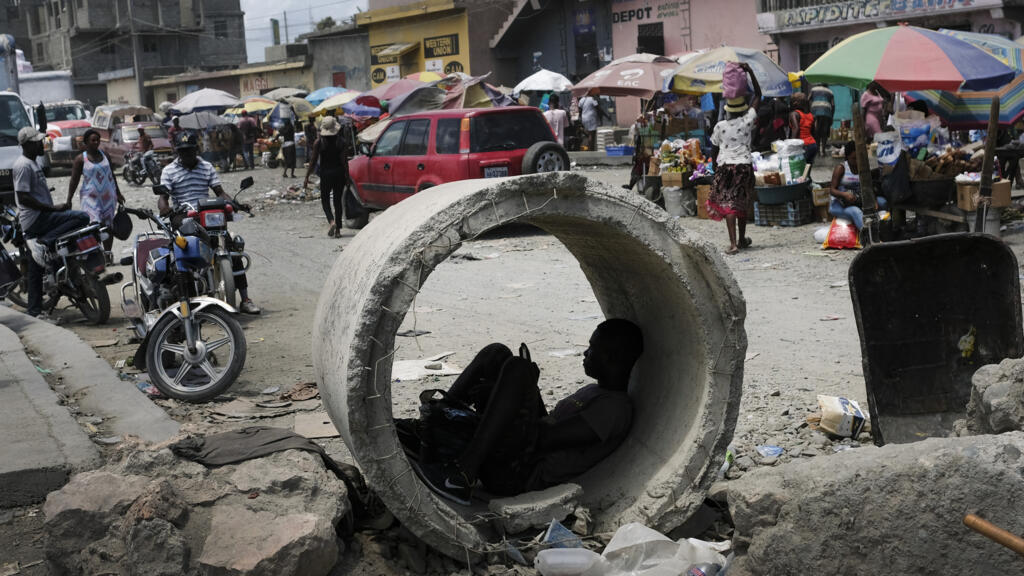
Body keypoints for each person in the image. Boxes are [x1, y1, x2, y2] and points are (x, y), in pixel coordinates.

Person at [409, 319, 643, 505]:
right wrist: (510, 395)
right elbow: (545, 422)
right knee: (496, 354)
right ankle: (430, 427)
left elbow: (544, 439)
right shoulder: (594, 390)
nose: (585, 354)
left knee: (518, 369)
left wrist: (523, 395)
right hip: (521, 451)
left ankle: (461, 476)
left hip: (521, 474)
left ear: (610, 358)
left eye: (592, 349)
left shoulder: (615, 408)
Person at [159, 131, 260, 314]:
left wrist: (234, 203)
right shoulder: (169, 170)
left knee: (232, 247)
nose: (186, 154)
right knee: (184, 251)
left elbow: (219, 192)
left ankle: (245, 298)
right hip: (183, 215)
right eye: (182, 151)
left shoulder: (206, 167)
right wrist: (164, 208)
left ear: (195, 149)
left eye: (189, 150)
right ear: (177, 152)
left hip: (207, 214)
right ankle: (186, 296)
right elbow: (163, 198)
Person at [13, 126, 90, 317]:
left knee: (36, 269)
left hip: (39, 218)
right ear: (28, 144)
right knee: (82, 217)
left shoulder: (33, 162)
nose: (42, 144)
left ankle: (35, 310)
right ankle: (46, 242)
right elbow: (23, 197)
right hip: (36, 220)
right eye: (38, 141)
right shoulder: (23, 165)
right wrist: (52, 208)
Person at [709, 62, 761, 255]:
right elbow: (758, 95)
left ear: (728, 109)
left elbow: (714, 148)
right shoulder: (748, 121)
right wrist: (750, 71)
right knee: (742, 203)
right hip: (744, 167)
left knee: (728, 205)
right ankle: (741, 239)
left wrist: (715, 166)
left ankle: (733, 243)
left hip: (725, 167)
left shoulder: (720, 126)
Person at [304, 116, 365, 238]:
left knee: (325, 200)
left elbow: (313, 161)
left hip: (325, 174)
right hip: (339, 174)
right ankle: (338, 231)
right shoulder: (341, 142)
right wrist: (347, 178)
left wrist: (306, 177)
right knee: (337, 202)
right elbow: (344, 162)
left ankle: (331, 222)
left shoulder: (319, 143)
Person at [66, 128, 124, 251]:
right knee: (93, 226)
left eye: (98, 140)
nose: (96, 142)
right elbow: (74, 180)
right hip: (90, 198)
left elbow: (111, 175)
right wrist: (69, 199)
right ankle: (97, 253)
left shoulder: (105, 155)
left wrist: (118, 193)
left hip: (108, 197)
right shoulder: (80, 159)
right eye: (93, 140)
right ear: (86, 142)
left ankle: (108, 253)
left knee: (108, 226)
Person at [829, 141, 887, 231]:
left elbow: (868, 186)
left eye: (858, 158)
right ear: (847, 157)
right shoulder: (841, 168)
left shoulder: (863, 167)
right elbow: (832, 190)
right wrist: (844, 195)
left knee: (882, 202)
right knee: (855, 211)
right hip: (841, 205)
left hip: (859, 200)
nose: (856, 161)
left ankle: (882, 228)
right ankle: (868, 234)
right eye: (853, 158)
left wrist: (874, 199)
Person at [622, 114, 658, 191]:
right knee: (638, 169)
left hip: (645, 155)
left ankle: (633, 186)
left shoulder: (649, 130)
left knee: (639, 169)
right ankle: (632, 185)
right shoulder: (640, 130)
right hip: (643, 154)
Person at [789, 93, 818, 165]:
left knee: (800, 170)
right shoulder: (811, 116)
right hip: (812, 145)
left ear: (795, 103)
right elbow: (814, 132)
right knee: (807, 170)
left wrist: (790, 145)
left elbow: (796, 129)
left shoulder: (794, 114)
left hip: (802, 145)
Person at [809, 83, 834, 150]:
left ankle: (817, 150)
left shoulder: (813, 90)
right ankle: (823, 150)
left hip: (815, 112)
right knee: (824, 132)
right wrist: (832, 116)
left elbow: (808, 99)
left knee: (816, 131)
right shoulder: (830, 91)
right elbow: (833, 104)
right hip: (826, 112)